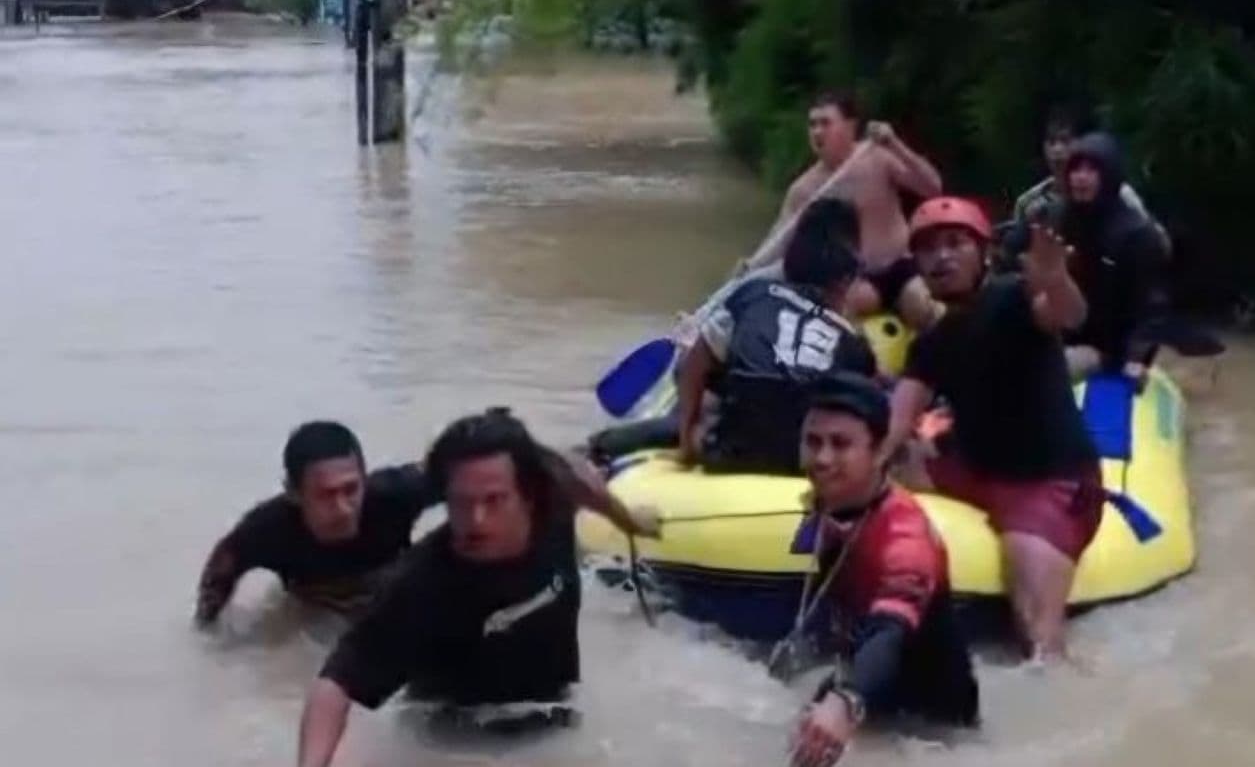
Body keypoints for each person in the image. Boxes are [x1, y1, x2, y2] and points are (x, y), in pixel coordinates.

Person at [296, 409, 660, 767]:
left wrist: (628, 521)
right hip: (457, 740)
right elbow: (335, 685)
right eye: (460, 503)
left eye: (494, 500)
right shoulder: (421, 584)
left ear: (529, 495)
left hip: (557, 715)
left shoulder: (554, 502)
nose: (476, 520)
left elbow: (577, 474)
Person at [885, 196, 1104, 662]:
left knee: (1037, 635)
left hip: (1046, 482)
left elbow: (1067, 314)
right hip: (976, 469)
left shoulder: (1014, 298)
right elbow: (898, 420)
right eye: (928, 249)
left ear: (983, 253)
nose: (941, 257)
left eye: (955, 244)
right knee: (902, 460)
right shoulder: (932, 342)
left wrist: (1056, 278)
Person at [788, 372, 978, 767]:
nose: (822, 459)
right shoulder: (833, 502)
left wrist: (845, 701)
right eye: (813, 442)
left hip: (927, 729)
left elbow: (888, 633)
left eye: (840, 444)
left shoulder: (906, 540)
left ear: (879, 453)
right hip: (864, 682)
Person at [678, 198, 878, 475]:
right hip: (804, 458)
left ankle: (690, 436)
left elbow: (693, 364)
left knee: (712, 394)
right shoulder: (853, 343)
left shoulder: (751, 296)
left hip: (734, 451)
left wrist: (687, 435)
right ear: (846, 279)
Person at [194, 421, 437, 626]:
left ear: (364, 480)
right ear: (293, 493)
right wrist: (208, 633)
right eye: (325, 495)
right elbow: (218, 576)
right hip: (317, 613)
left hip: (392, 598)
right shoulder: (267, 530)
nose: (343, 509)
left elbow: (451, 470)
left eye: (351, 489)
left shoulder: (395, 495)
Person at [740, 91, 944, 330]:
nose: (817, 132)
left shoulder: (878, 157)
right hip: (856, 279)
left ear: (850, 126)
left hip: (900, 267)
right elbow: (779, 238)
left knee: (920, 306)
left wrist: (895, 144)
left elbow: (932, 187)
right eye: (812, 124)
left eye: (825, 123)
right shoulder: (804, 189)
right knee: (840, 310)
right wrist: (750, 267)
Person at [1057, 132, 1171, 382]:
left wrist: (1137, 358)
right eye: (1076, 169)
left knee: (1055, 368)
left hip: (1110, 351)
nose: (1081, 177)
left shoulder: (1136, 234)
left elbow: (1151, 305)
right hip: (1061, 338)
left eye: (1091, 170)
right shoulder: (1060, 221)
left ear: (1108, 175)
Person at [1011, 106, 1159, 234]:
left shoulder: (1119, 194)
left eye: (1065, 141)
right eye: (1051, 142)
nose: (1057, 150)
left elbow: (1154, 238)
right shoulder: (1028, 202)